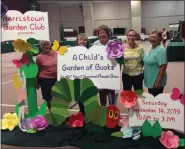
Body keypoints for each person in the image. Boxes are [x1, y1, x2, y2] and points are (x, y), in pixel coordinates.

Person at [93, 25, 115, 106]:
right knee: (102, 97)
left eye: (104, 33)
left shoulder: (113, 44)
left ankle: (112, 116)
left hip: (111, 76)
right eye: (100, 33)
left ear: (108, 34)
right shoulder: (95, 44)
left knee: (111, 98)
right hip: (100, 76)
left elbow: (117, 59)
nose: (102, 35)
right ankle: (103, 115)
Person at [143, 30, 167, 97]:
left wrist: (158, 81)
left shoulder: (161, 50)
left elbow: (163, 67)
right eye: (151, 37)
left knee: (156, 101)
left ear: (160, 39)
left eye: (155, 37)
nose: (152, 39)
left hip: (156, 81)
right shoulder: (150, 47)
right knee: (151, 97)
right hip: (150, 78)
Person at [36, 40, 57, 109]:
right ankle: (53, 114)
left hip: (57, 79)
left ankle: (60, 114)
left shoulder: (56, 53)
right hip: (45, 80)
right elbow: (37, 70)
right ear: (41, 47)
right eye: (44, 45)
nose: (46, 46)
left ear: (50, 44)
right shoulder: (39, 57)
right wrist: (36, 82)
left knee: (58, 98)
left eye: (47, 44)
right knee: (49, 99)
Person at [75, 33, 90, 115]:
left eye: (85, 40)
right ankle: (81, 111)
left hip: (87, 78)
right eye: (80, 39)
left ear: (87, 42)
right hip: (76, 77)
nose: (82, 41)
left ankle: (87, 111)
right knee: (78, 96)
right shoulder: (71, 51)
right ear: (77, 41)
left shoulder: (91, 51)